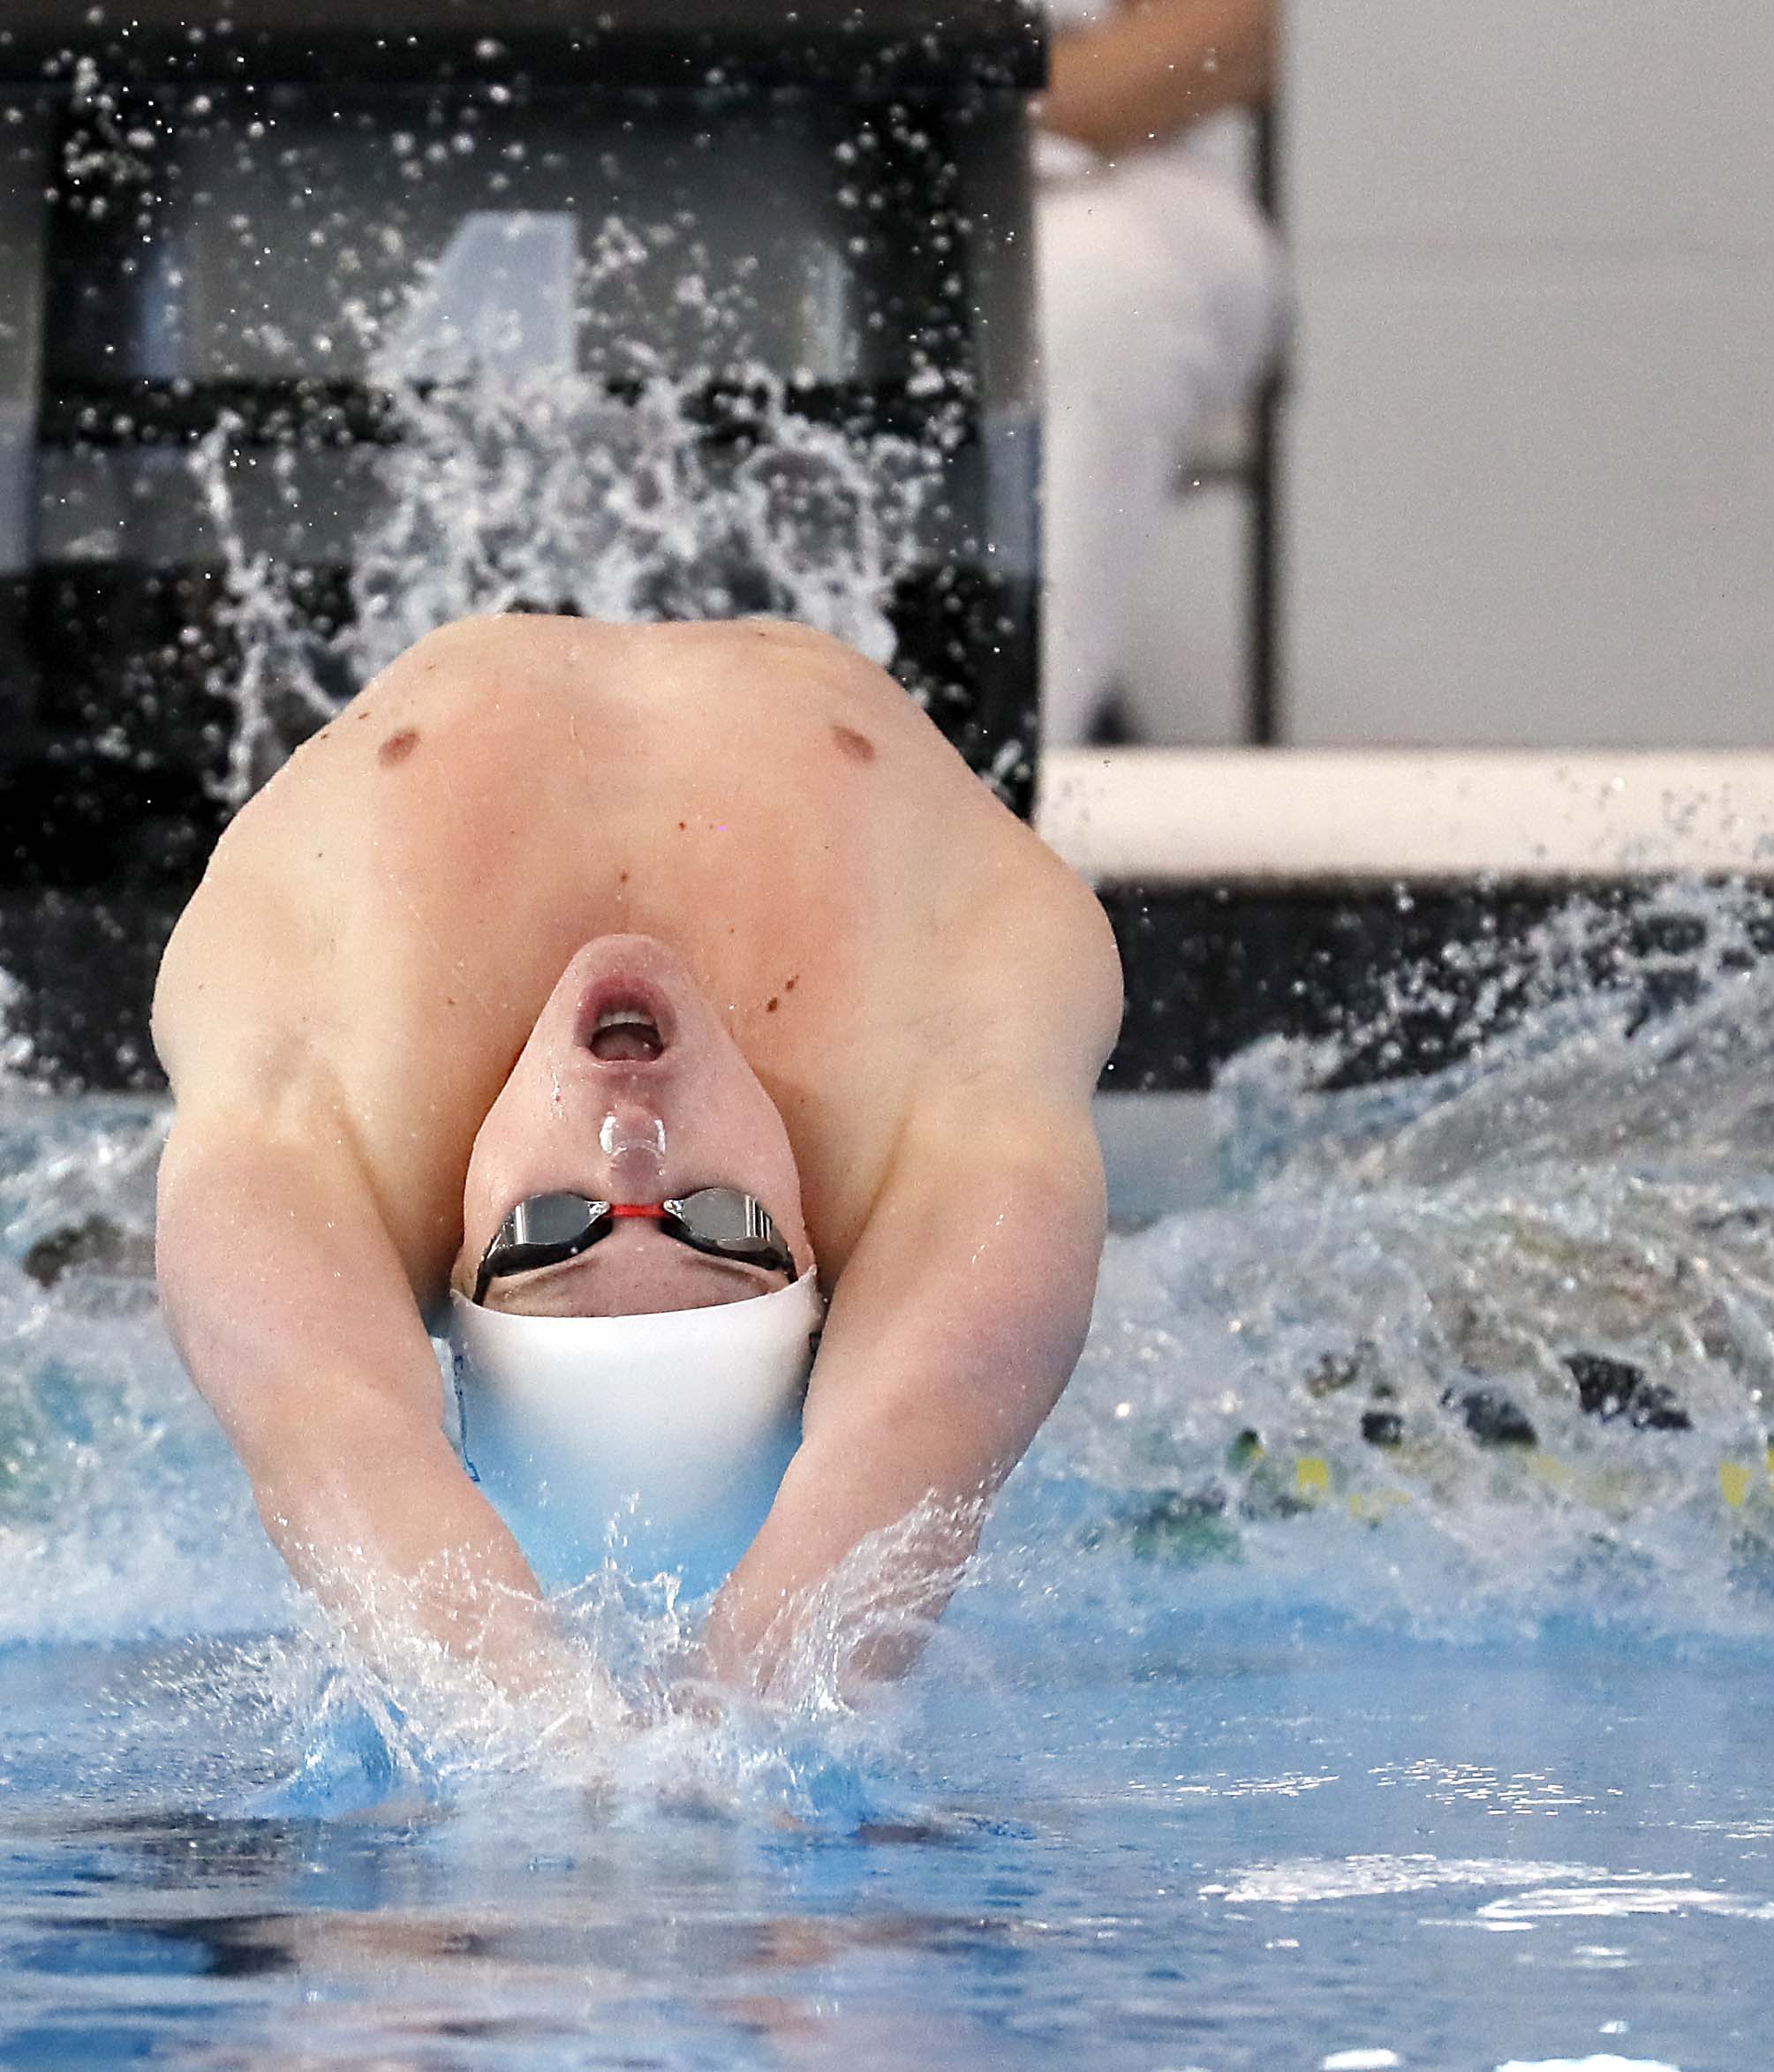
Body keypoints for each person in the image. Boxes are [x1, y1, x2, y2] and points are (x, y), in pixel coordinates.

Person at [150, 614, 1121, 1709]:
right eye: (719, 1221)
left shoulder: (331, 1120)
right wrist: (727, 1738)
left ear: (456, 1260)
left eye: (548, 1230)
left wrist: (550, 1737)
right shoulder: (940, 1107)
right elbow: (922, 1425)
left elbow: (327, 1422)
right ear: (819, 1257)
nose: (630, 1145)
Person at [1035, 0, 1288, 743]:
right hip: (733, 165)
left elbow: (1233, 36)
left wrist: (938, 92)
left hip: (1101, 170)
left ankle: (1010, 780)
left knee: (1101, 294)